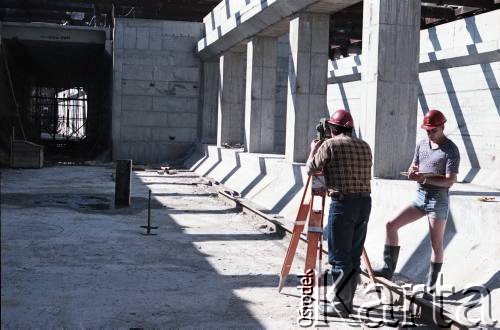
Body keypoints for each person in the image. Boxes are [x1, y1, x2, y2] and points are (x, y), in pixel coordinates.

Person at [373, 109, 460, 291]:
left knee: (435, 243)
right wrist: (413, 171)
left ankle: (431, 286)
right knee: (391, 225)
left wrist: (425, 179)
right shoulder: (422, 145)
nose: (430, 134)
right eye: (427, 131)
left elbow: (450, 180)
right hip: (420, 197)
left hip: (438, 200)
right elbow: (414, 165)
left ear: (443, 127)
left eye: (433, 131)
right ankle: (388, 270)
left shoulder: (451, 150)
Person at [306, 109, 372, 317]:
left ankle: (341, 306)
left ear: (332, 129)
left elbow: (311, 168)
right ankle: (347, 303)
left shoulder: (329, 145)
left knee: (339, 257)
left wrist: (313, 150)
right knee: (353, 255)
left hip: (343, 205)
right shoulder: (365, 146)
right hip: (364, 203)